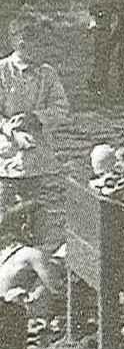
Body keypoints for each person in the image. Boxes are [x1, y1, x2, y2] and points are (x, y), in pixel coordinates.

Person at [0, 16, 70, 245]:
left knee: (33, 210)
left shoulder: (46, 74)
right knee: (3, 207)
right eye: (36, 44)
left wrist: (36, 117)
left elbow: (61, 108)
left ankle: (31, 249)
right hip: (6, 155)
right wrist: (10, 130)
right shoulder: (3, 71)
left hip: (35, 156)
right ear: (19, 44)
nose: (41, 49)